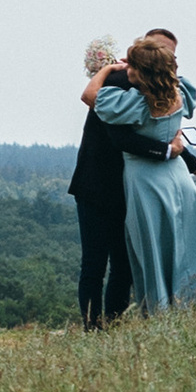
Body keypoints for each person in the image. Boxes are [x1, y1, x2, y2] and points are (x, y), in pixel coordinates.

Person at [87, 26, 196, 314]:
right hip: (178, 178)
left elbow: (91, 96)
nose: (128, 70)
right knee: (187, 243)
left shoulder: (133, 104)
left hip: (146, 181)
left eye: (133, 66)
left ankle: (161, 309)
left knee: (154, 250)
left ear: (142, 72)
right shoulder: (180, 94)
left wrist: (107, 68)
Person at [67, 33, 135, 328]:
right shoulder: (116, 85)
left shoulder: (122, 84)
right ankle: (101, 324)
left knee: (108, 264)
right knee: (107, 264)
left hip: (111, 186)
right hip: (97, 186)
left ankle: (100, 325)